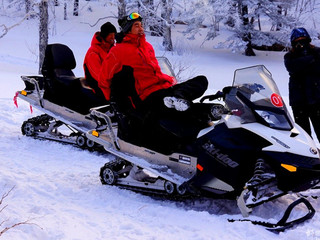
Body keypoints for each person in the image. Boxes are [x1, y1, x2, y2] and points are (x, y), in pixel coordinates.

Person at [99, 12, 210, 116]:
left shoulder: (147, 47)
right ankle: (181, 102)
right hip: (148, 95)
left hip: (164, 88)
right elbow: (104, 78)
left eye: (141, 25)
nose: (141, 28)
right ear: (128, 29)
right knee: (183, 109)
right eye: (136, 25)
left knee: (201, 80)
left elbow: (155, 71)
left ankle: (178, 98)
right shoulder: (118, 51)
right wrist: (113, 102)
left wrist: (169, 79)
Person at [284, 27, 320, 142]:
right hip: (298, 100)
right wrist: (310, 59)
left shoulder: (317, 52)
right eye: (297, 41)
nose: (301, 44)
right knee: (303, 135)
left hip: (316, 99)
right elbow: (292, 67)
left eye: (303, 40)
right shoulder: (290, 56)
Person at [83, 22, 117, 99]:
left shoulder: (112, 50)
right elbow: (98, 75)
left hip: (109, 83)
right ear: (104, 35)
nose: (113, 37)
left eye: (114, 34)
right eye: (110, 34)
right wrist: (112, 83)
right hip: (98, 85)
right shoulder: (93, 52)